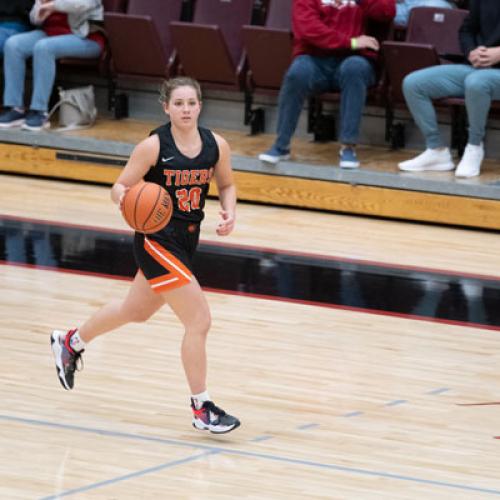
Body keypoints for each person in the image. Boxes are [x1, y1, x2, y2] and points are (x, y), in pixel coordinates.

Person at [50, 77, 241, 434]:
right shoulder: (153, 146)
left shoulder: (217, 145)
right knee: (199, 321)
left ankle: (71, 342)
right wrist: (126, 200)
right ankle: (202, 407)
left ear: (200, 106)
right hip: (156, 242)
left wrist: (229, 211)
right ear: (166, 107)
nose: (186, 109)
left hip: (186, 242)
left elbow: (226, 184)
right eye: (179, 103)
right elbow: (119, 186)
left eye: (191, 103)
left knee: (134, 311)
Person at [259, 0, 395, 169]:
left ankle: (348, 146)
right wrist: (350, 41)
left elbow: (387, 12)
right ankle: (281, 145)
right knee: (297, 73)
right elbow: (309, 29)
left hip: (355, 59)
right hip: (315, 58)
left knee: (354, 68)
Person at [399, 0, 500, 177]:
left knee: (477, 82)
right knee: (413, 83)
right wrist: (472, 52)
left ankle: (474, 146)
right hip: (477, 68)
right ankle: (436, 150)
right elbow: (466, 30)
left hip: (485, 76)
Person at [0, 0, 105, 131]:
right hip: (50, 34)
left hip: (86, 37)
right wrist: (39, 14)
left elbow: (82, 4)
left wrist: (53, 5)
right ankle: (15, 108)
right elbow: (34, 17)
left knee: (44, 47)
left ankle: (39, 111)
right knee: (13, 45)